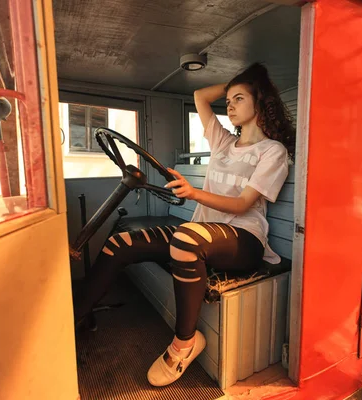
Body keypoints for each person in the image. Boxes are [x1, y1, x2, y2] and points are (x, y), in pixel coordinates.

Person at [74, 62, 296, 387]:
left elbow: (243, 204)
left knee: (186, 239)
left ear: (260, 102)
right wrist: (238, 83)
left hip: (244, 242)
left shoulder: (271, 151)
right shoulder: (223, 143)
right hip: (202, 233)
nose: (230, 105)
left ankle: (184, 344)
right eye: (230, 99)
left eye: (239, 99)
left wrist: (195, 193)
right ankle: (76, 317)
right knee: (121, 242)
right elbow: (200, 96)